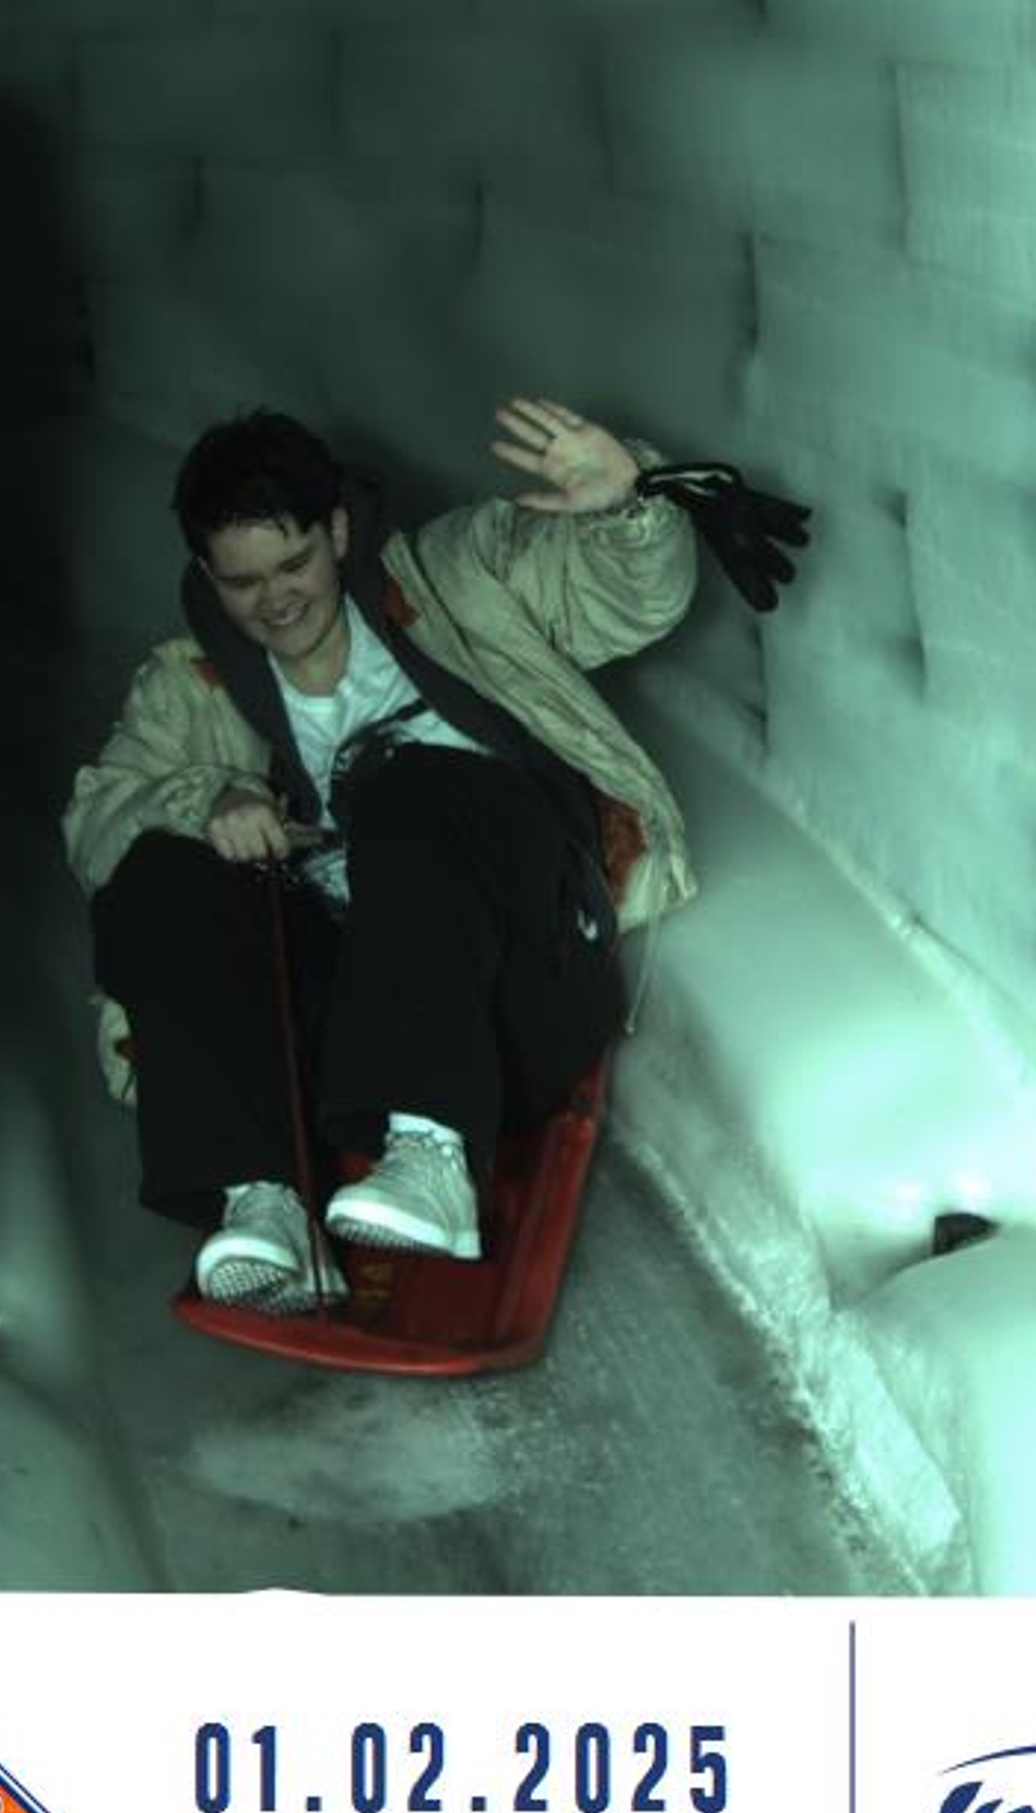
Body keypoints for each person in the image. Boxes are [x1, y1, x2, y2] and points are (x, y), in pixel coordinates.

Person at [61, 395, 700, 1312]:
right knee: (158, 868)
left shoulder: (454, 579)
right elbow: (95, 822)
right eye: (244, 581)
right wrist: (211, 800)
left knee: (404, 784)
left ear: (337, 530)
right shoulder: (188, 685)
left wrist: (626, 507)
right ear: (207, 572)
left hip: (522, 983)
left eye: (294, 563)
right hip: (349, 1023)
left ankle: (433, 1150)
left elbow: (633, 599)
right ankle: (265, 1197)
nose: (276, 599)